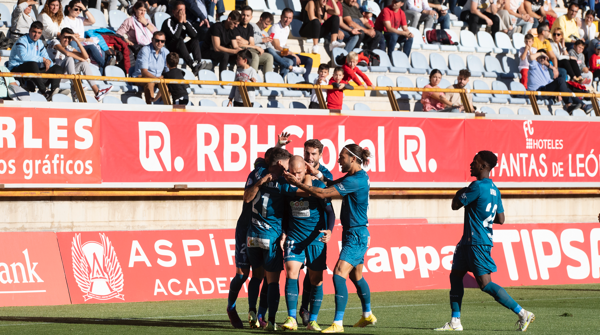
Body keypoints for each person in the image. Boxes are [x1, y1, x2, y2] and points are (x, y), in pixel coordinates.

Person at [434, 151, 535, 332]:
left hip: (477, 242)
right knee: (455, 276)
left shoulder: (477, 186)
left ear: (484, 166)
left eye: (475, 162)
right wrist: (482, 216)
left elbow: (455, 205)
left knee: (485, 283)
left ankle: (522, 313)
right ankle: (455, 322)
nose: (471, 164)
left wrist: (460, 192)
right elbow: (501, 218)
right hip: (468, 242)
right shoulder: (495, 190)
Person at [283, 144, 376, 334]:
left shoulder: (355, 180)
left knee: (338, 274)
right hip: (355, 232)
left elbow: (324, 192)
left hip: (356, 234)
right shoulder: (356, 177)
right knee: (356, 276)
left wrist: (298, 183)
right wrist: (316, 173)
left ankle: (338, 323)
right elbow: (330, 182)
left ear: (353, 159)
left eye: (342, 157)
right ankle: (367, 314)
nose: (338, 160)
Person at [280, 156, 335, 331]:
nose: (296, 176)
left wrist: (330, 230)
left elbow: (330, 212)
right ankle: (291, 318)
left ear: (306, 170)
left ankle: (313, 320)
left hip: (315, 238)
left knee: (316, 279)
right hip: (295, 237)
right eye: (293, 173)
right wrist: (283, 233)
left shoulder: (319, 187)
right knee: (291, 272)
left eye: (299, 173)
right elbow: (284, 212)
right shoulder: (286, 185)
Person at [245, 147, 295, 331]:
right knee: (273, 281)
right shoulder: (284, 181)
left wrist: (260, 182)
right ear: (281, 164)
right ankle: (272, 321)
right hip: (271, 237)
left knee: (256, 276)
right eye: (288, 164)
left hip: (252, 236)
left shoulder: (257, 173)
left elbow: (247, 198)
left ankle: (252, 310)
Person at [47, 27, 112, 102]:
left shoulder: (68, 47)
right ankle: (75, 87)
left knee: (83, 63)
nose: (66, 40)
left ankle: (97, 92)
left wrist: (77, 41)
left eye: (69, 38)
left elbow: (86, 56)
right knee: (69, 58)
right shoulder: (54, 42)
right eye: (65, 37)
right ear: (60, 36)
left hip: (63, 76)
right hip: (52, 75)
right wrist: (81, 59)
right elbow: (67, 53)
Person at [7, 21, 64, 100]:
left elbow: (47, 58)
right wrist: (42, 59)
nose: (36, 35)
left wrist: (48, 62)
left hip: (33, 71)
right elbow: (24, 57)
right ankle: (44, 92)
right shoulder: (22, 40)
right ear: (30, 30)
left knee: (57, 68)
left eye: (39, 33)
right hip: (16, 70)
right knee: (32, 64)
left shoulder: (39, 43)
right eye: (34, 31)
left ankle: (54, 91)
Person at [528, 50, 587, 114]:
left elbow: (550, 83)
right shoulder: (534, 65)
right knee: (560, 80)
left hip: (545, 91)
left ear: (546, 59)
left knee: (567, 89)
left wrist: (559, 92)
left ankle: (584, 106)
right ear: (537, 58)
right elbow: (531, 57)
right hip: (536, 92)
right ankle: (569, 105)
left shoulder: (546, 69)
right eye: (540, 57)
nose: (542, 59)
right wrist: (541, 53)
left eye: (544, 57)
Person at [250, 12, 304, 78]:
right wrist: (262, 40)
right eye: (265, 24)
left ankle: (281, 80)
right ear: (261, 19)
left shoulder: (265, 33)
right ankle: (291, 68)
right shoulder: (252, 26)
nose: (266, 26)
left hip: (268, 53)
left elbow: (270, 47)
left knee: (289, 60)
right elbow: (249, 40)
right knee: (269, 50)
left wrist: (280, 53)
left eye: (268, 25)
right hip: (257, 51)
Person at [269, 8, 313, 81]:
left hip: (285, 53)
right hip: (277, 54)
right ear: (281, 17)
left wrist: (291, 53)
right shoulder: (275, 27)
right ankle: (284, 80)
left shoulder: (287, 28)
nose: (287, 20)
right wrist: (293, 54)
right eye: (286, 17)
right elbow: (277, 47)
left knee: (309, 60)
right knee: (293, 59)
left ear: (292, 19)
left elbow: (284, 44)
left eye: (290, 18)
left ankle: (305, 82)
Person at [161, 1, 205, 76]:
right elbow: (175, 36)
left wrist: (185, 23)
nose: (182, 13)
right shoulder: (168, 22)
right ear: (173, 12)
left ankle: (198, 62)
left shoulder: (185, 21)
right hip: (171, 50)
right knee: (179, 40)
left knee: (195, 40)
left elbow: (195, 35)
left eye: (184, 10)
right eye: (179, 10)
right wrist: (180, 22)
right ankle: (192, 65)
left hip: (182, 50)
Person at [61, 0, 105, 71]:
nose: (78, 11)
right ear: (69, 8)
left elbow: (93, 21)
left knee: (93, 47)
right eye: (76, 9)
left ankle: (105, 67)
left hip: (81, 45)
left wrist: (84, 9)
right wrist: (84, 39)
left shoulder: (80, 19)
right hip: (72, 44)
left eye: (80, 9)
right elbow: (70, 38)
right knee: (74, 42)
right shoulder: (65, 20)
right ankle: (76, 66)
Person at [131, 31, 169, 104]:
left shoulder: (166, 52)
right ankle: (150, 106)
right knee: (150, 82)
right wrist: (157, 79)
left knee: (167, 84)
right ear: (152, 40)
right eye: (157, 40)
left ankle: (167, 108)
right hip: (140, 77)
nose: (160, 43)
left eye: (162, 41)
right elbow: (144, 72)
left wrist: (161, 79)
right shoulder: (145, 50)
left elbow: (168, 71)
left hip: (156, 78)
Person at [202, 11, 242, 76]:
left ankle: (241, 77)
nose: (236, 26)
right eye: (235, 23)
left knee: (242, 55)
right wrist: (234, 51)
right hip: (208, 51)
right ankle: (222, 80)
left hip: (221, 53)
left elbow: (235, 46)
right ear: (229, 19)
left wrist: (241, 51)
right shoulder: (217, 27)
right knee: (225, 55)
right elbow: (216, 48)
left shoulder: (232, 29)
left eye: (237, 24)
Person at [236, 6, 274, 74]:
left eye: (248, 15)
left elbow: (252, 44)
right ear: (240, 14)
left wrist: (247, 43)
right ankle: (252, 80)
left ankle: (267, 83)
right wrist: (254, 46)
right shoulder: (237, 25)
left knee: (269, 57)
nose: (245, 17)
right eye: (243, 15)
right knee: (255, 56)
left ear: (251, 17)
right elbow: (238, 44)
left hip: (249, 50)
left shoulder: (250, 27)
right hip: (240, 51)